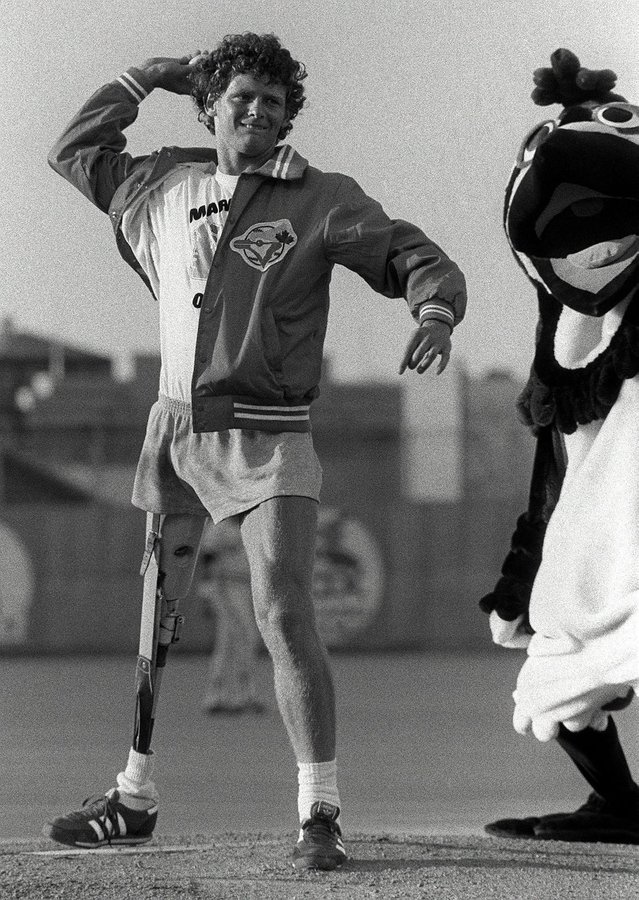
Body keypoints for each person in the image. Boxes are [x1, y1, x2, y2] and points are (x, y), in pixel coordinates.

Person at [44, 32, 467, 869]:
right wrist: (142, 76)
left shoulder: (318, 198)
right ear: (210, 106)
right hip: (174, 427)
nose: (257, 112)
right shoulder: (159, 178)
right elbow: (74, 151)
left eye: (273, 103)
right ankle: (133, 795)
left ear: (286, 119)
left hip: (266, 434)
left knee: (282, 612)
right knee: (154, 623)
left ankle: (320, 811)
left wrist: (433, 310)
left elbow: (406, 252)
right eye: (241, 98)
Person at [480, 49, 639, 843]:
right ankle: (619, 804)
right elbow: (554, 458)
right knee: (552, 673)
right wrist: (524, 564)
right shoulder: (566, 332)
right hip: (593, 539)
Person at [196, 518, 264, 714]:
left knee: (229, 641)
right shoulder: (221, 524)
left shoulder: (249, 523)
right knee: (245, 637)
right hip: (226, 586)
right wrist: (206, 591)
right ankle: (237, 695)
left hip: (244, 587)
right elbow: (207, 558)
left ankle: (224, 695)